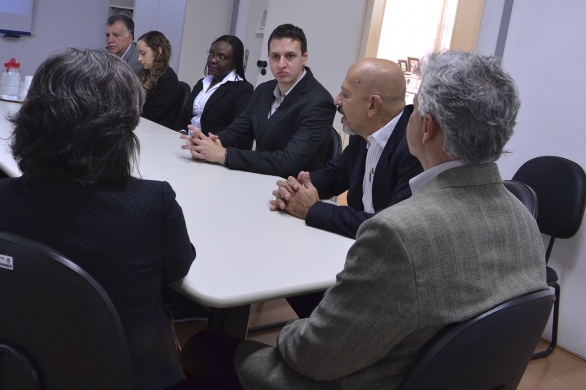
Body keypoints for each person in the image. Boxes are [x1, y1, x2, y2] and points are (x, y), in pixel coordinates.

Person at [182, 50, 548, 389]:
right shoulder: (525, 221)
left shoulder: (400, 232)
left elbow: (315, 357)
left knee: (203, 347)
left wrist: (292, 330)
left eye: (414, 108)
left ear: (428, 128)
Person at [0, 48, 195, 390]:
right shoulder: (152, 205)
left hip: (25, 371)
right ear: (120, 133)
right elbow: (178, 270)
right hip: (126, 376)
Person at [271, 59, 423, 239]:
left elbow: (388, 227)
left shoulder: (416, 149)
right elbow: (333, 176)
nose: (336, 100)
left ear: (373, 105)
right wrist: (295, 191)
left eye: (346, 94)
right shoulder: (362, 135)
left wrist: (311, 209)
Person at [181, 24, 336, 177]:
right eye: (275, 57)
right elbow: (239, 132)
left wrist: (225, 155)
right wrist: (208, 142)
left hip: (292, 190)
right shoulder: (263, 90)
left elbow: (289, 162)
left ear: (304, 58)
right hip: (258, 176)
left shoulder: (320, 102)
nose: (281, 64)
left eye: (290, 56)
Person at [175, 35, 253, 136]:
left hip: (212, 146)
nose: (213, 60)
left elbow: (237, 131)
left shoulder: (242, 89)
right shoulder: (202, 83)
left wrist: (206, 142)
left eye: (221, 57)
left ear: (235, 62)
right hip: (186, 141)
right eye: (211, 54)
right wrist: (182, 133)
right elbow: (183, 117)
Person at [137, 30, 183, 129]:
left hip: (157, 131)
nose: (139, 59)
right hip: (141, 125)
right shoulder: (143, 74)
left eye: (143, 53)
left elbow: (150, 115)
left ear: (158, 51)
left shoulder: (168, 80)